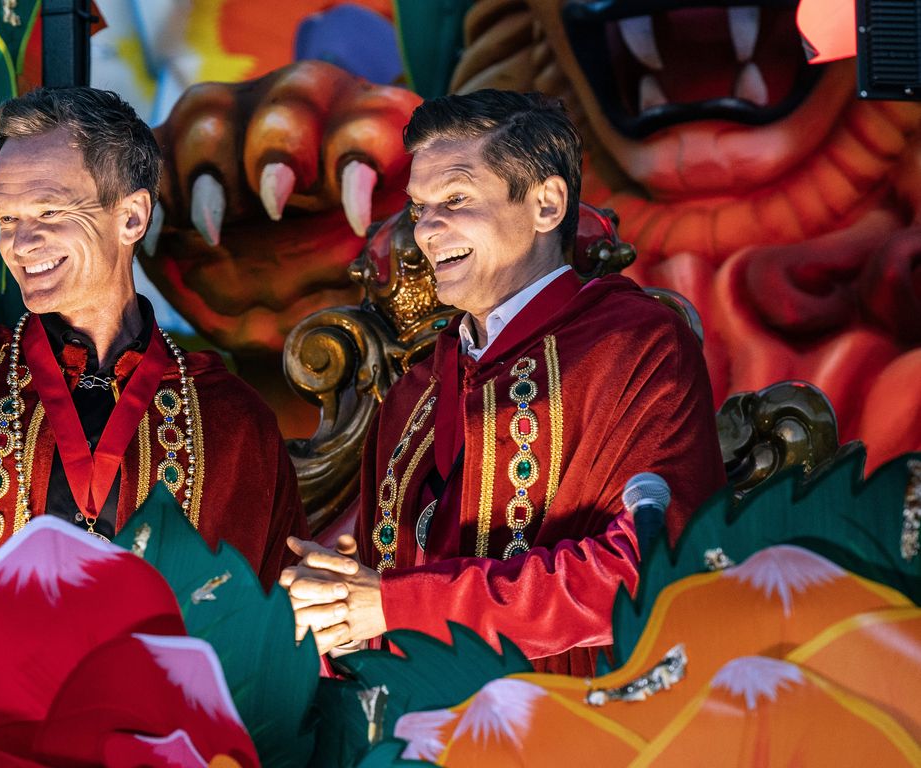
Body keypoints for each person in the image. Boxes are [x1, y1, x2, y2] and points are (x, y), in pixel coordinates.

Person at [0, 86, 307, 767]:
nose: (21, 241)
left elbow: (280, 655)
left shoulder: (235, 427)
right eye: (7, 217)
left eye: (49, 211)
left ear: (131, 217)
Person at [280, 90, 725, 675]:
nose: (426, 231)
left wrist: (398, 605)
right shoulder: (415, 389)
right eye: (418, 208)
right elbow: (373, 604)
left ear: (546, 204)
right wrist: (335, 611)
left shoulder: (635, 346)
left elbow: (648, 572)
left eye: (456, 198)